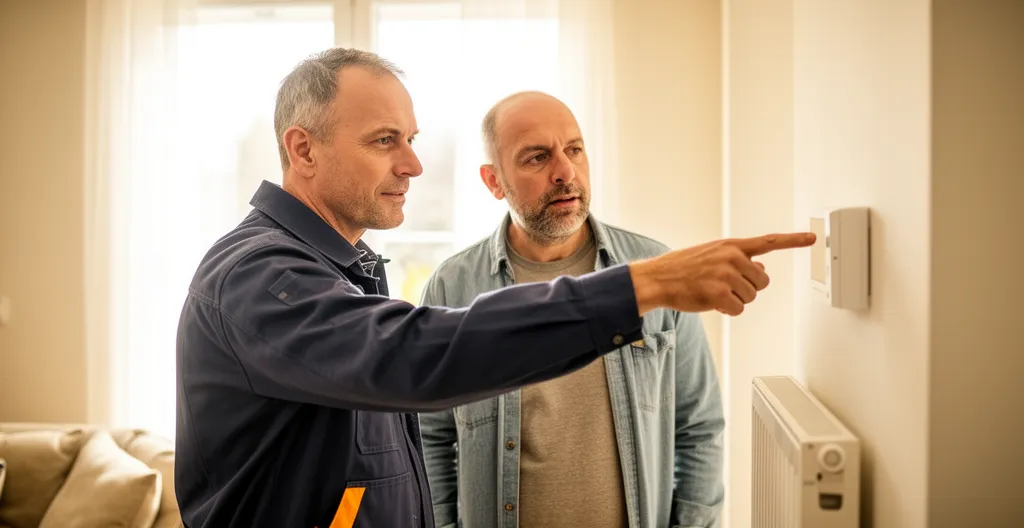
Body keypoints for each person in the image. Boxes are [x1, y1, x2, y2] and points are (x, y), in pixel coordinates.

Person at [174, 48, 814, 528]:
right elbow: (414, 362)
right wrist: (638, 289)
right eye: (384, 141)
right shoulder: (259, 277)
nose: (414, 164)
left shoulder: (343, 268)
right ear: (303, 150)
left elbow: (697, 429)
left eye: (412, 140)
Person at [417, 91, 725, 528]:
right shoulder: (454, 286)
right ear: (494, 181)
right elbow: (431, 439)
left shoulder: (655, 274)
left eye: (574, 150)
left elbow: (699, 428)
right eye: (537, 157)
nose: (565, 172)